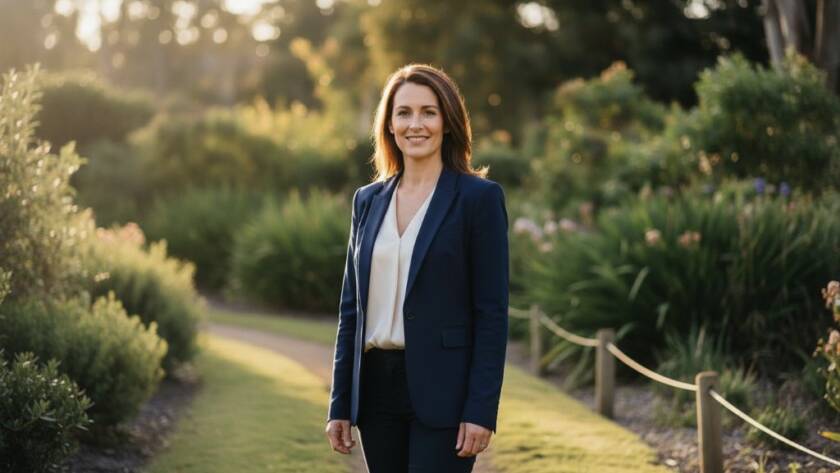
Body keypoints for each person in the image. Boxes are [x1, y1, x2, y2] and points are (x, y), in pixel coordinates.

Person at [324, 63, 509, 473]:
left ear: (448, 121)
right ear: (389, 125)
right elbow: (350, 312)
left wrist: (481, 409)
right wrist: (340, 403)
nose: (415, 124)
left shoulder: (478, 199)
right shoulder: (367, 201)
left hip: (444, 391)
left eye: (429, 112)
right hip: (375, 392)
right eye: (403, 113)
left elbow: (491, 314)